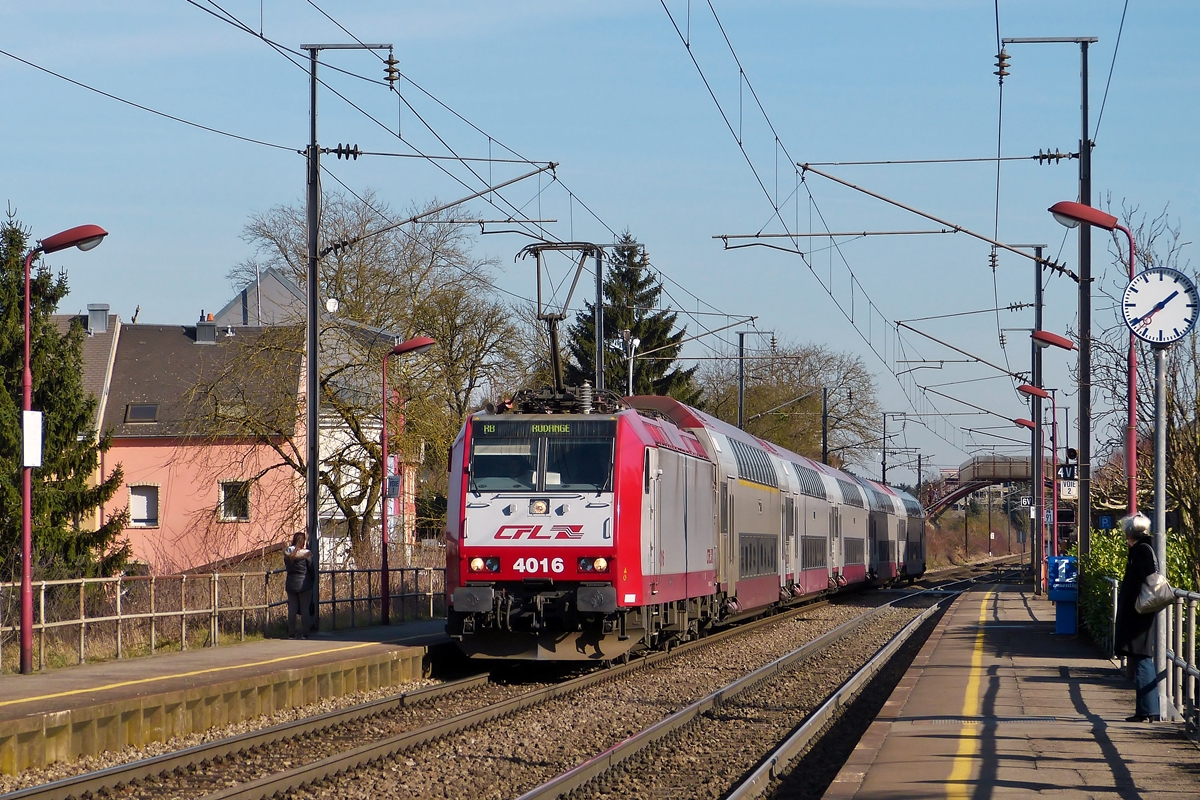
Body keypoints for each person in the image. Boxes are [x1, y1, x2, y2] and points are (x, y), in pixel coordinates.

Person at [1114, 513, 1159, 722]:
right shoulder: (1147, 549)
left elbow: (1134, 584)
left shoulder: (1139, 552)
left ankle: (1148, 710)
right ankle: (1146, 709)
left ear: (1129, 533)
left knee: (1141, 658)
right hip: (1143, 612)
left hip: (1138, 613)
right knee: (1142, 657)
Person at [283, 531, 314, 639]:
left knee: (292, 609)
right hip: (304, 584)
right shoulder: (307, 554)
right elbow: (311, 569)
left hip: (291, 583)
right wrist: (312, 580)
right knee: (305, 609)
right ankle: (305, 633)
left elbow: (287, 566)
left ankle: (291, 633)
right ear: (303, 541)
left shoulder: (287, 553)